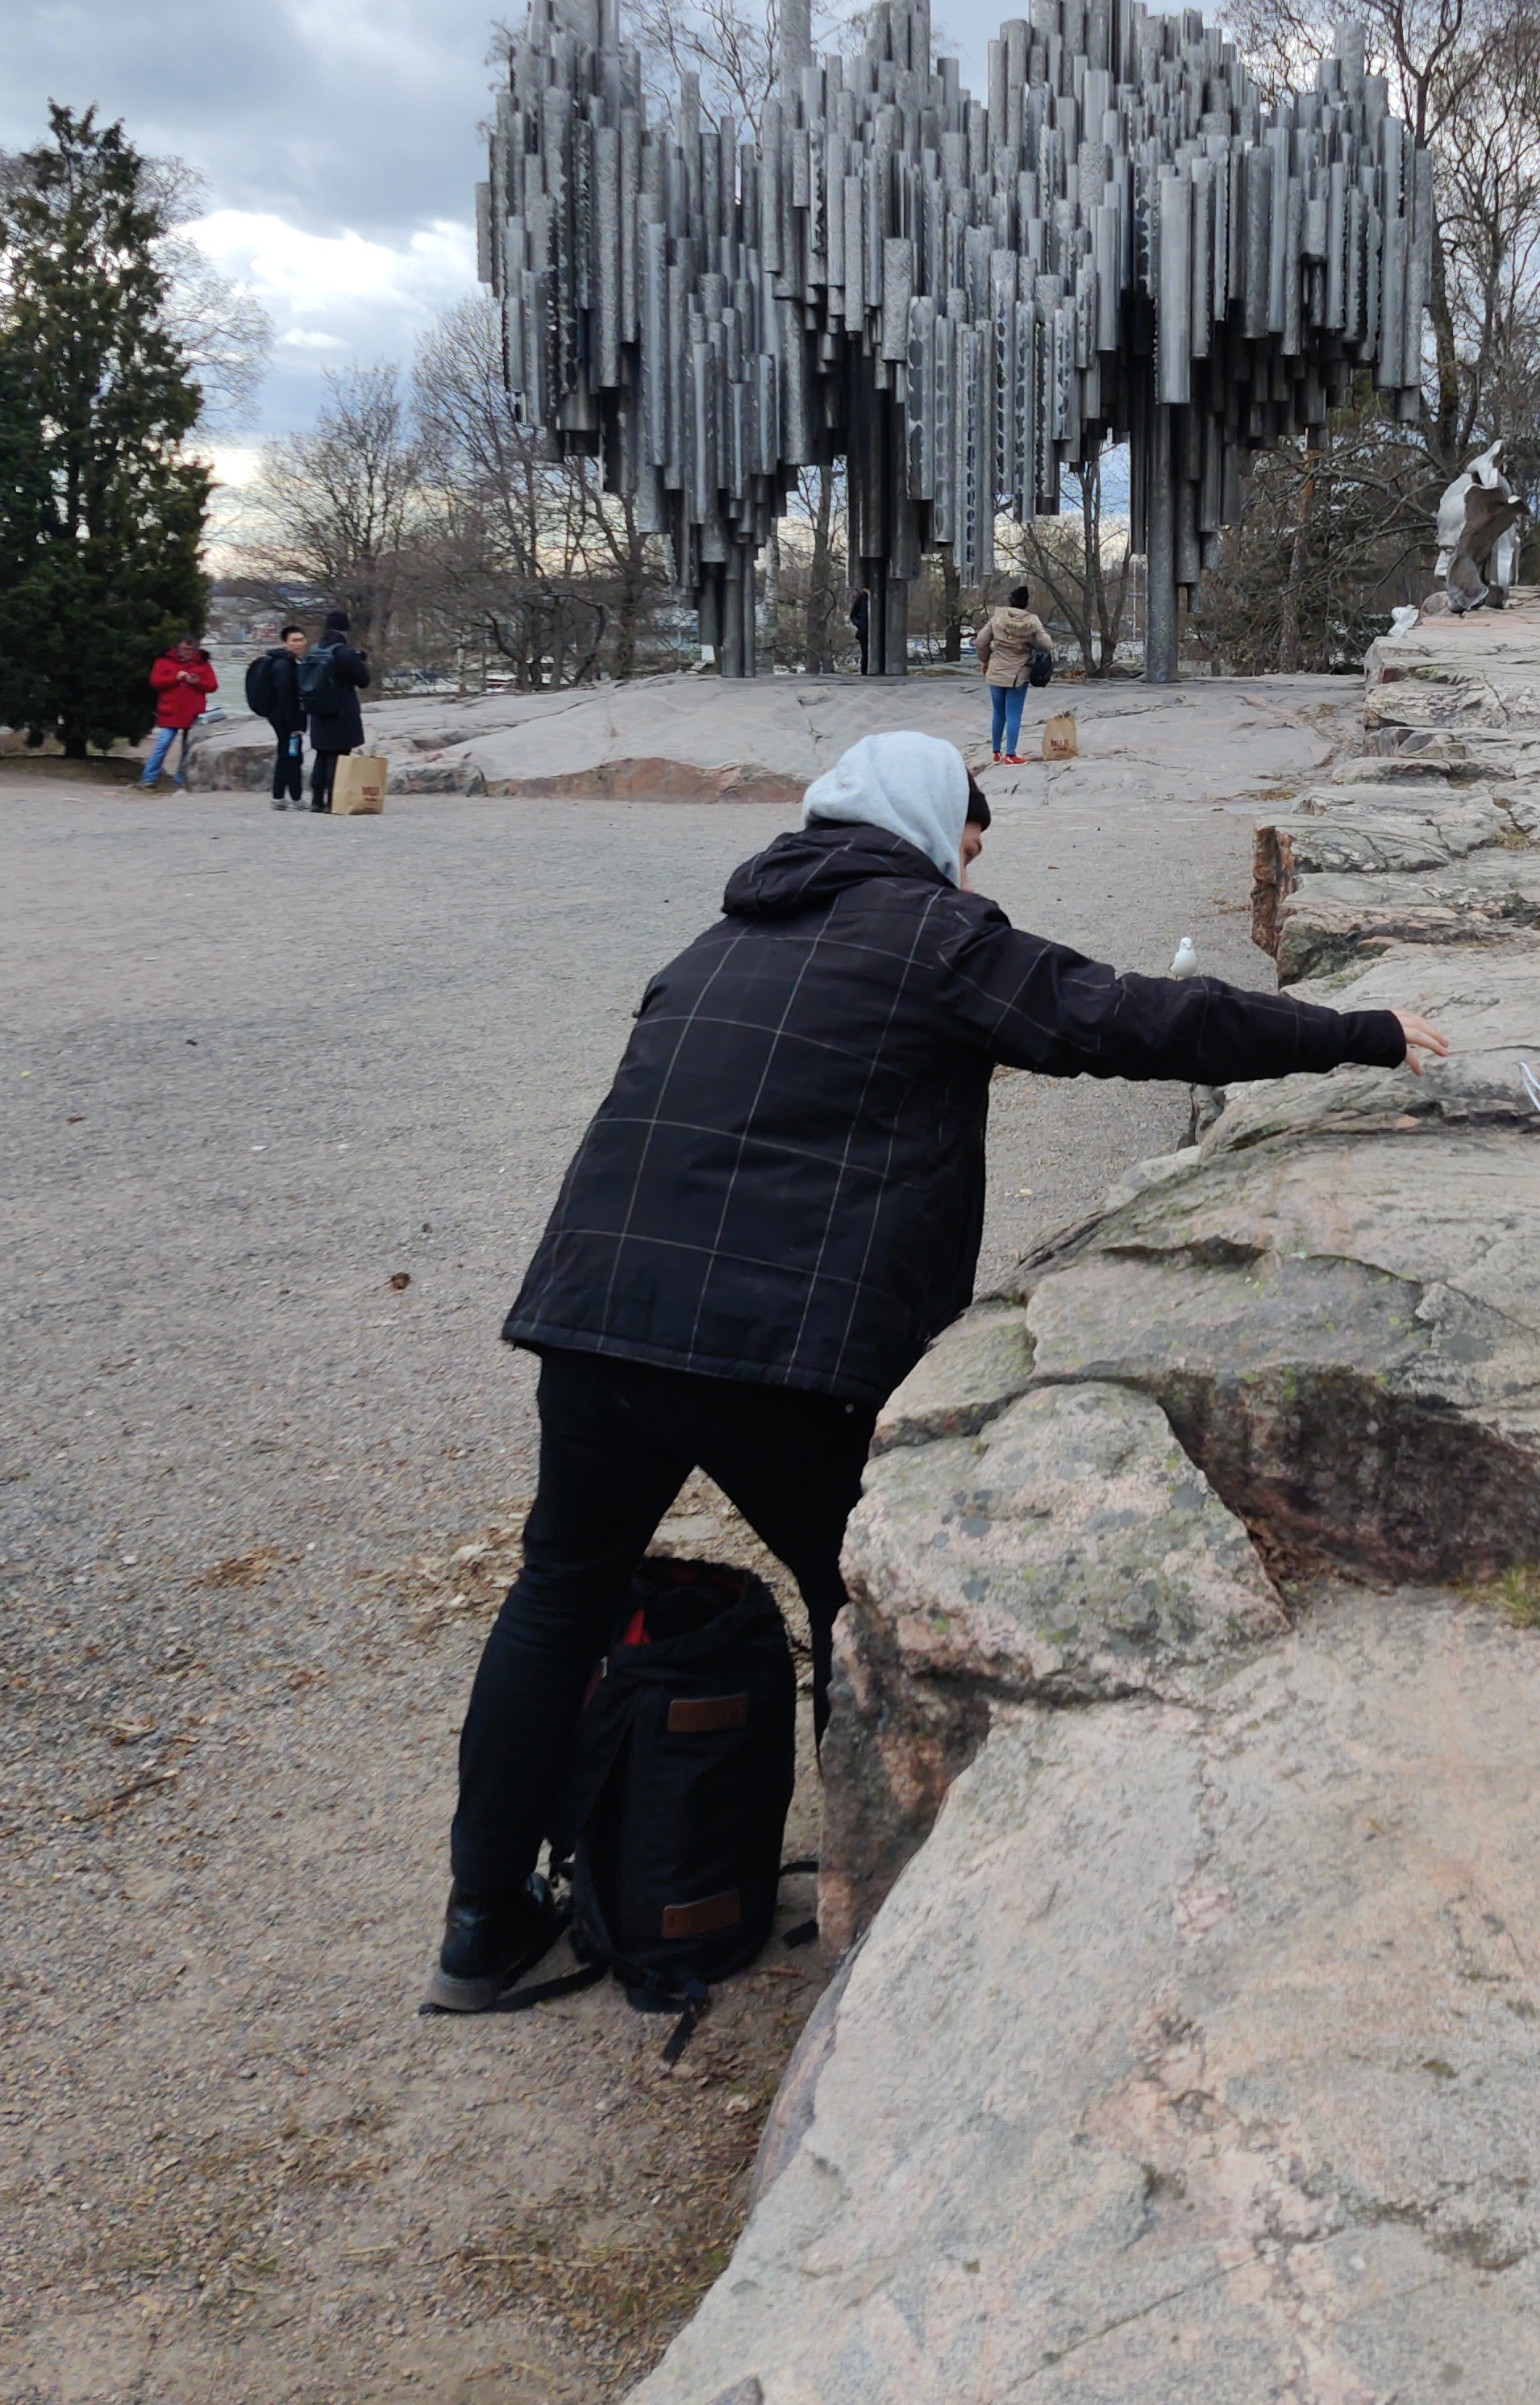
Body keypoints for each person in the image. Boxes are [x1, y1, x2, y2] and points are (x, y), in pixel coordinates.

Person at [428, 727, 1448, 2009]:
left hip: (592, 1318)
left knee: (558, 1595)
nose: (971, 875)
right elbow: (1134, 1017)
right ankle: (876, 1923)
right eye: (968, 845)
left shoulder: (715, 943)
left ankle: (480, 1928)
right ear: (926, 825)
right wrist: (1359, 1032)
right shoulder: (930, 936)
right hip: (780, 1353)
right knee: (850, 1600)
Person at [298, 608, 373, 812]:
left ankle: (316, 800)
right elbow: (363, 681)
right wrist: (361, 661)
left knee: (322, 754)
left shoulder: (313, 650)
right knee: (339, 756)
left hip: (319, 711)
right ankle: (334, 799)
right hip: (341, 711)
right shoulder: (345, 653)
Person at [973, 581, 1051, 765]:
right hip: (1019, 675)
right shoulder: (1032, 623)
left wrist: (986, 660)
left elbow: (980, 642)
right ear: (1026, 603)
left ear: (1010, 601)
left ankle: (995, 753)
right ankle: (1011, 755)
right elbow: (1047, 645)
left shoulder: (997, 619)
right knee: (1013, 715)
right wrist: (1032, 642)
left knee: (998, 713)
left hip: (996, 671)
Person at [139, 635, 216, 790]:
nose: (188, 652)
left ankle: (182, 779)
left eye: (191, 650)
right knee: (163, 744)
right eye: (185, 649)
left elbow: (213, 686)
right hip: (170, 711)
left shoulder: (202, 663)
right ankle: (148, 778)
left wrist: (197, 682)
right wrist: (176, 678)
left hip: (194, 713)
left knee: (188, 749)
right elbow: (155, 682)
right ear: (177, 647)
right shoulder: (164, 661)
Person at [245, 624, 309, 807]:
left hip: (281, 716)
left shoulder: (290, 662)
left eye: (301, 640)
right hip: (285, 718)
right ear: (285, 642)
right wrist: (295, 723)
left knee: (285, 755)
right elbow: (286, 696)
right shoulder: (284, 665)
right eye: (294, 640)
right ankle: (295, 798)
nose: (299, 644)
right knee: (293, 757)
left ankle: (279, 796)